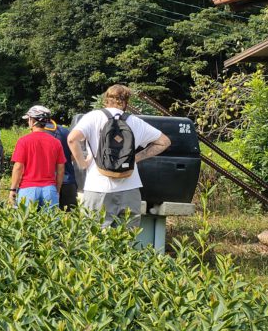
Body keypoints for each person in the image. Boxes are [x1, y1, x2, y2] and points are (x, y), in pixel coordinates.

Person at [67, 84, 171, 227]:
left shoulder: (93, 117)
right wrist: (136, 158)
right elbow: (164, 142)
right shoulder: (136, 121)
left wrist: (83, 163)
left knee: (95, 240)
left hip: (98, 187)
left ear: (106, 99)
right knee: (127, 241)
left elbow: (72, 139)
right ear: (127, 101)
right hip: (130, 188)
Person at [9, 105, 66, 208]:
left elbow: (18, 167)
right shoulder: (56, 142)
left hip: (28, 189)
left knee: (26, 222)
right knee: (51, 223)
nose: (28, 122)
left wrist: (13, 189)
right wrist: (57, 190)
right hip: (49, 189)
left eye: (28, 119)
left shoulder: (23, 141)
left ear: (33, 120)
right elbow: (61, 169)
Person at [42, 115, 79, 210]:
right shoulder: (65, 131)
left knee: (47, 219)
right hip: (68, 181)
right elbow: (74, 155)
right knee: (71, 219)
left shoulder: (38, 132)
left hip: (47, 183)